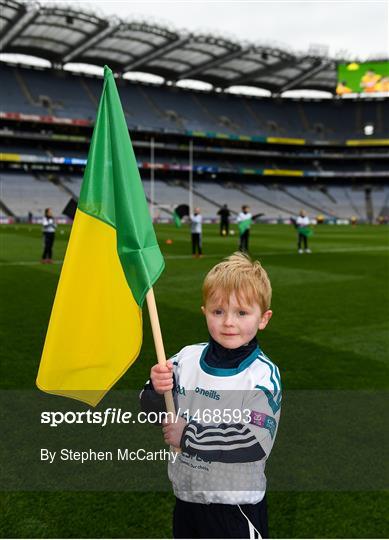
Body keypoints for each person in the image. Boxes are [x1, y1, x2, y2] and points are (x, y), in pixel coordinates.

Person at [140, 252, 281, 538]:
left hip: (235, 507)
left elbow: (254, 440)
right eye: (218, 312)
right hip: (187, 500)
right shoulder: (185, 359)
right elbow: (154, 413)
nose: (229, 322)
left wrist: (189, 435)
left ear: (263, 318)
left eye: (242, 313)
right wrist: (156, 390)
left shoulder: (262, 375)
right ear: (205, 312)